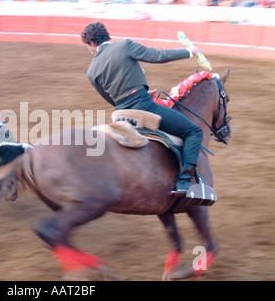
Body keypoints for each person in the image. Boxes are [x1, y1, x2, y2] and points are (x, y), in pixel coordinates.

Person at [80, 22, 203, 193]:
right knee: (194, 132)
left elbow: (110, 97)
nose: (89, 49)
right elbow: (157, 56)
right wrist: (190, 52)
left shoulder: (91, 70)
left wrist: (140, 91)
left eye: (88, 46)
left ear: (92, 43)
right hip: (144, 107)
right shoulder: (125, 45)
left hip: (121, 114)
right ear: (105, 36)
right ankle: (183, 181)